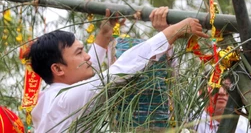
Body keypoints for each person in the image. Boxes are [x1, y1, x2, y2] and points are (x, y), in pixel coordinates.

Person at [27, 7, 208, 132]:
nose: (87, 57)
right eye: (80, 52)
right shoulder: (64, 100)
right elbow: (120, 71)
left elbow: (90, 79)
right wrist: (173, 31)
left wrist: (104, 35)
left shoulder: (50, 98)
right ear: (58, 69)